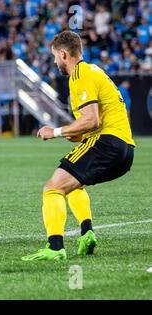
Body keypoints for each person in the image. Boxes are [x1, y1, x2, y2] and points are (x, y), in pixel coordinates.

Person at [22, 31, 135, 261]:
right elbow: (96, 120)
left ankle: (55, 248)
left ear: (64, 54)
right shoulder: (94, 70)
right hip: (125, 150)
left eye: (55, 56)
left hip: (107, 143)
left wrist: (53, 132)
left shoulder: (79, 74)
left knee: (52, 188)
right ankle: (86, 233)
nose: (54, 62)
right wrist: (79, 133)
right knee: (73, 183)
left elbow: (91, 120)